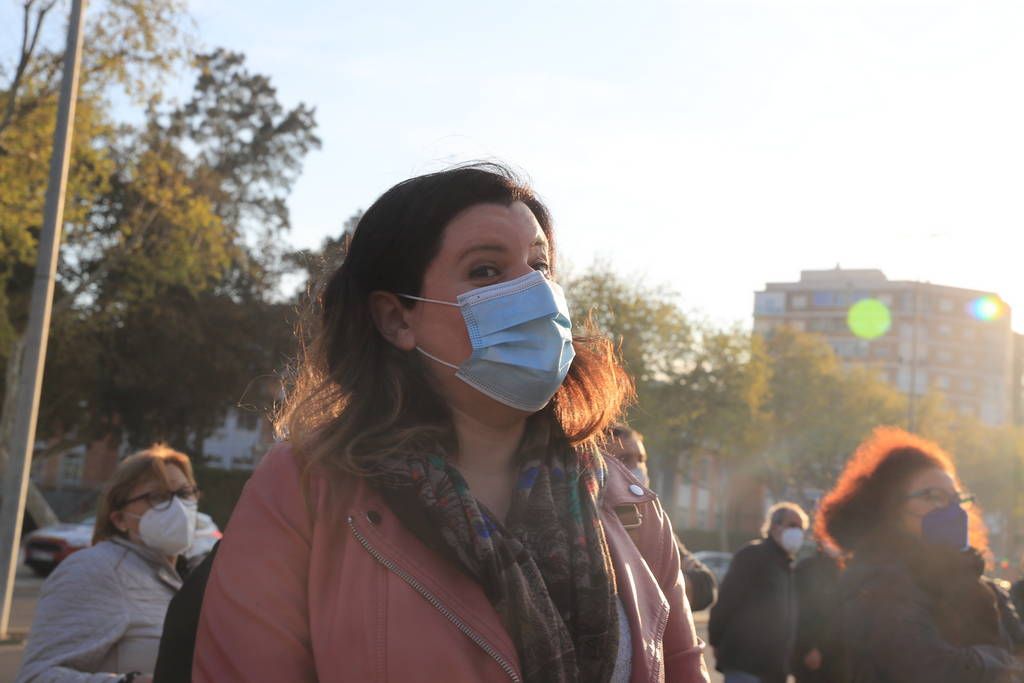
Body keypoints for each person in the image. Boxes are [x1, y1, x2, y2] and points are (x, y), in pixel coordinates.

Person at [192, 164, 710, 682]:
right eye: (486, 271)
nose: (533, 294)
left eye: (540, 267)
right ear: (396, 319)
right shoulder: (304, 491)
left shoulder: (626, 501)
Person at [817, 427, 1024, 683]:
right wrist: (1000, 664)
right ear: (891, 509)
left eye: (956, 499)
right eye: (933, 496)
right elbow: (928, 670)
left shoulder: (984, 586)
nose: (950, 509)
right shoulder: (879, 584)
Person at [17, 444, 200, 683]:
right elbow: (35, 677)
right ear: (120, 518)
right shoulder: (95, 569)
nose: (178, 508)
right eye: (157, 497)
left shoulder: (180, 576)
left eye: (184, 494)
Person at [605, 423, 718, 611]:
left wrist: (662, 584)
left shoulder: (655, 522)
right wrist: (677, 579)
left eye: (641, 459)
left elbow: (706, 588)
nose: (638, 468)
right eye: (624, 459)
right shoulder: (589, 523)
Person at [708, 501, 808, 683]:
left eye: (801, 528)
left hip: (774, 670)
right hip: (745, 663)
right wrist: (715, 639)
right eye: (792, 525)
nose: (798, 532)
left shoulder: (787, 566)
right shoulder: (752, 555)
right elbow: (727, 601)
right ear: (774, 527)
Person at [791, 541, 843, 683]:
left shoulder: (847, 569)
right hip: (812, 656)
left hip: (841, 657)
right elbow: (799, 611)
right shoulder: (807, 569)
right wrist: (809, 647)